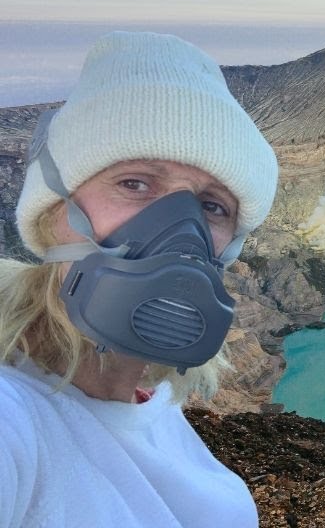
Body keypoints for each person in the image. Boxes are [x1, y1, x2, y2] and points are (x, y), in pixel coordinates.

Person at [0, 32, 278, 527]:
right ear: (53, 210)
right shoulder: (13, 419)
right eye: (134, 183)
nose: (177, 228)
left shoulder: (158, 404)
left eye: (211, 207)